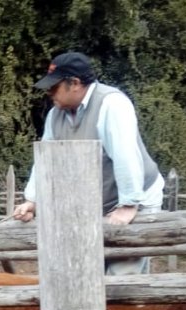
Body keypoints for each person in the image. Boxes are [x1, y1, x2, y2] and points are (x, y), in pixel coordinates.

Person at [13, 52, 163, 274]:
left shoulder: (111, 104)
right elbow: (45, 162)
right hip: (95, 203)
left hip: (136, 199)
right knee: (86, 271)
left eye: (54, 87)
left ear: (74, 83)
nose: (49, 92)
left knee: (122, 278)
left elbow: (126, 155)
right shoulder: (56, 115)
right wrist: (33, 201)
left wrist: (129, 204)